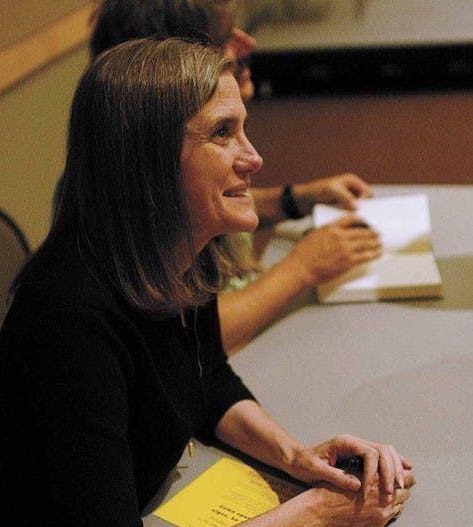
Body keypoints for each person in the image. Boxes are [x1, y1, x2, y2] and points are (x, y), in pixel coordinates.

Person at [0, 38, 413, 527]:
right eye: (223, 133)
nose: (254, 158)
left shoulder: (175, 247)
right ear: (148, 164)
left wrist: (294, 458)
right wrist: (313, 515)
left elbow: (206, 378)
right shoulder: (67, 323)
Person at [88, 0, 382, 354]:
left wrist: (294, 199)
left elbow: (201, 203)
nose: (248, 44)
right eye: (225, 36)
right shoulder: (127, 196)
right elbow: (183, 338)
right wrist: (303, 267)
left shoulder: (156, 174)